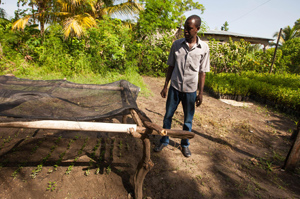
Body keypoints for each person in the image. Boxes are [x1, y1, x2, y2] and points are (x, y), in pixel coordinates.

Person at [153, 15, 210, 157]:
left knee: (188, 120)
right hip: (175, 88)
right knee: (167, 116)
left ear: (197, 29)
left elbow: (202, 72)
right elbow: (171, 66)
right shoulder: (176, 45)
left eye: (189, 28)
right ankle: (164, 140)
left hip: (191, 91)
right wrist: (165, 86)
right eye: (184, 28)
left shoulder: (203, 48)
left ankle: (184, 144)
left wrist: (200, 93)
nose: (185, 31)